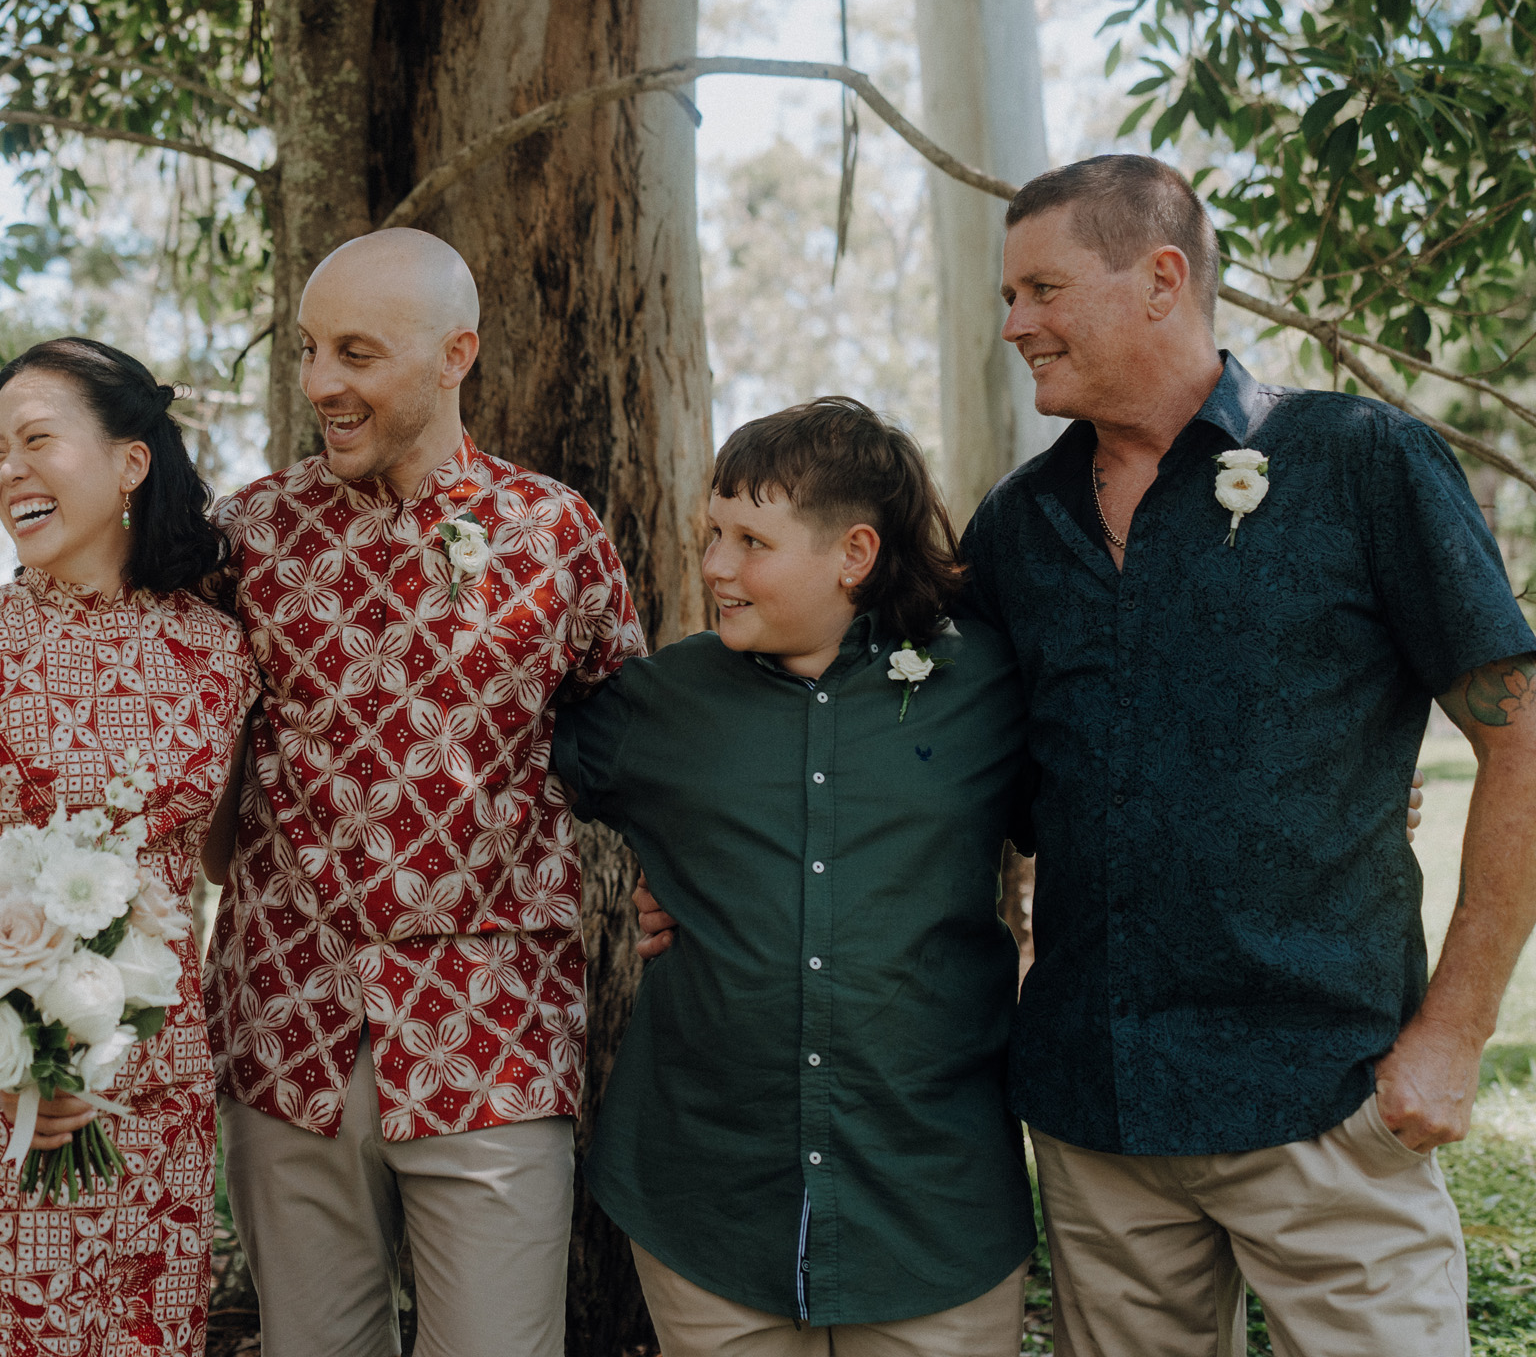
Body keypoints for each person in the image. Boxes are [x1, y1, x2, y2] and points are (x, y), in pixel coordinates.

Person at [960, 154, 1536, 1354]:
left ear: (1162, 278)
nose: (1015, 323)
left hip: (1330, 1104)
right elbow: (965, 789)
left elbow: (1519, 733)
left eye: (1043, 289)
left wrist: (1454, 1034)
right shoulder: (1017, 529)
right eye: (1010, 296)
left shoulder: (1364, 464)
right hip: (1097, 1125)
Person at [205, 228, 646, 1357]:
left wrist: (679, 890)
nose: (321, 384)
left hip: (489, 1029)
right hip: (285, 1024)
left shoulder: (557, 533)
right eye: (309, 350)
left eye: (356, 353)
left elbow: (641, 746)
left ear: (458, 354)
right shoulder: (248, 538)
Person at [553, 399, 1033, 1356]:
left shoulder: (984, 688)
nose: (716, 567)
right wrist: (670, 878)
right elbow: (492, 786)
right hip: (709, 1203)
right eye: (713, 534)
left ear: (853, 555)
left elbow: (1114, 813)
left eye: (751, 541)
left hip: (931, 1206)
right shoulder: (661, 707)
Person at [0, 337, 257, 1355]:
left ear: (131, 462)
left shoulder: (219, 653)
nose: (9, 470)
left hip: (162, 1094)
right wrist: (11, 1063)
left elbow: (213, 863)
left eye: (37, 440)